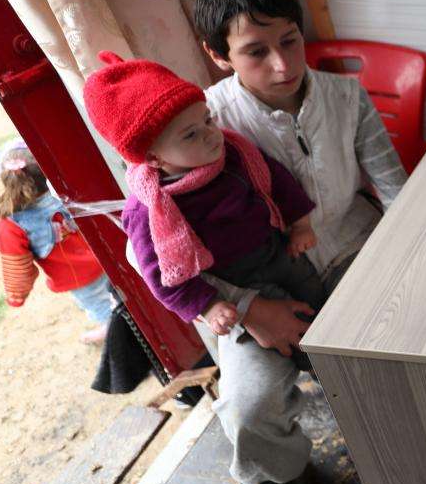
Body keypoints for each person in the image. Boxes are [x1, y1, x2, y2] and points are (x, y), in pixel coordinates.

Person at [186, 0, 408, 484]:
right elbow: (159, 249)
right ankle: (278, 483)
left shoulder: (343, 94)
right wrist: (252, 309)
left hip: (350, 248)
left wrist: (412, 255)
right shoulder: (199, 125)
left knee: (401, 353)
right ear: (218, 55)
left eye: (289, 40)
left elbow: (392, 185)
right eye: (256, 52)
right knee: (249, 405)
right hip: (252, 288)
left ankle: (406, 463)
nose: (283, 66)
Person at [82, 52, 325, 364]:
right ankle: (326, 373)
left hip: (278, 250)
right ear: (153, 158)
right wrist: (208, 306)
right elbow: (160, 276)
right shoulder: (150, 208)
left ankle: (340, 343)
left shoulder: (235, 153)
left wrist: (300, 225)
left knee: (316, 297)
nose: (211, 134)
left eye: (207, 120)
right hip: (235, 282)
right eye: (191, 134)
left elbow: (277, 180)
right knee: (298, 336)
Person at [0, 142, 116, 344]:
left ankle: (116, 336)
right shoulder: (66, 190)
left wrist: (17, 295)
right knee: (119, 292)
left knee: (101, 306)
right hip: (106, 256)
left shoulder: (9, 226)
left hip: (77, 277)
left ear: (6, 180)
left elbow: (17, 267)